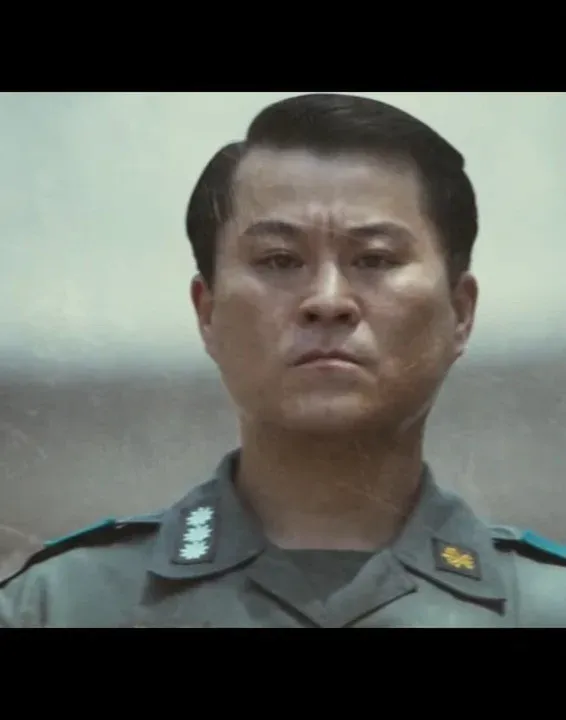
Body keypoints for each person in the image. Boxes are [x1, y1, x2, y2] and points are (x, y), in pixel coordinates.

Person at [1, 93, 565, 628]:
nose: (327, 300)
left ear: (460, 312)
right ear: (207, 311)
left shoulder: (546, 606)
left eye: (374, 259)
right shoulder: (60, 605)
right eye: (278, 260)